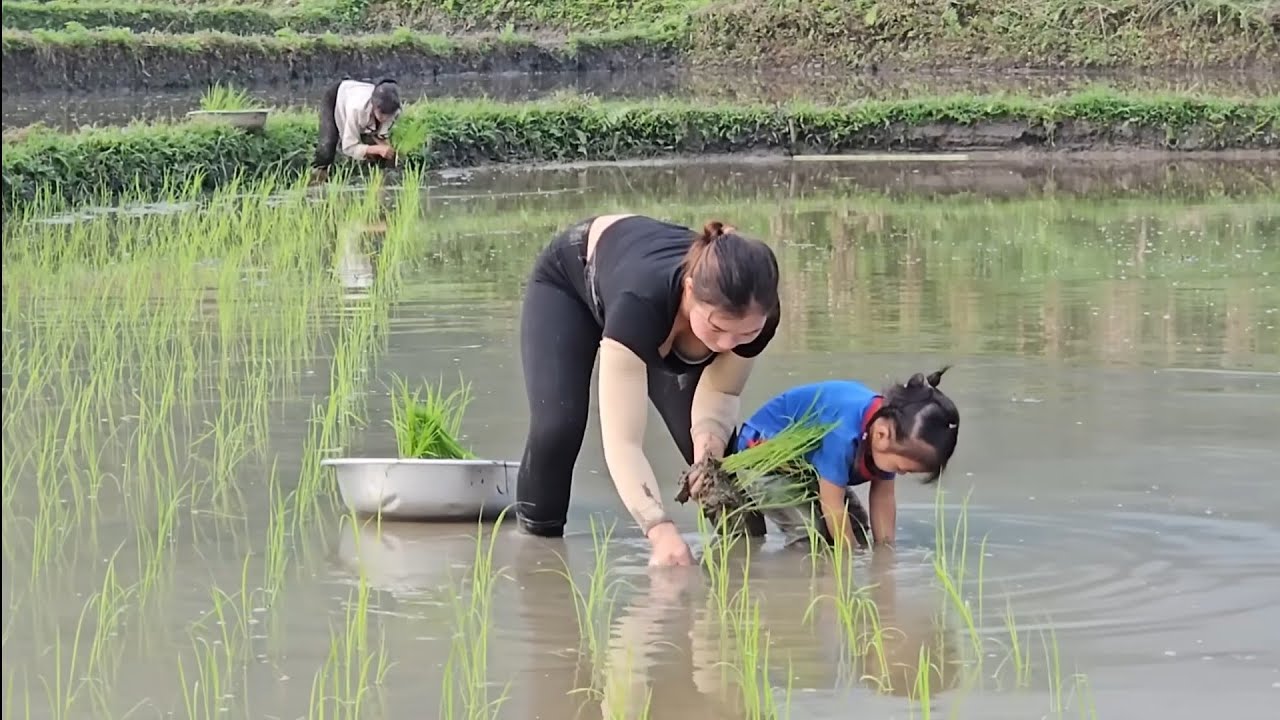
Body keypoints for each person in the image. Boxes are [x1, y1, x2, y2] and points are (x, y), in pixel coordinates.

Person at [515, 214, 782, 567]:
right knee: (557, 429)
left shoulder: (756, 318)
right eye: (718, 328)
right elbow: (622, 442)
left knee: (718, 469)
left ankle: (747, 558)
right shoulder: (640, 305)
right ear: (690, 291)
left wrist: (706, 452)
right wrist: (659, 529)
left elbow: (721, 395)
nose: (728, 344)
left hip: (648, 296)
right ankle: (535, 554)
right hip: (572, 280)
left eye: (744, 335)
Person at [722, 368, 960, 550]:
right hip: (762, 459)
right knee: (811, 537)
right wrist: (848, 564)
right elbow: (832, 504)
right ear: (881, 435)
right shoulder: (844, 433)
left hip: (806, 465)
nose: (900, 473)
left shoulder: (891, 430)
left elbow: (883, 497)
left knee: (857, 529)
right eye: (901, 469)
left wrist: (885, 558)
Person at [309, 77, 401, 185]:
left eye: (389, 115)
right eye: (382, 114)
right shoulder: (357, 109)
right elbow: (348, 147)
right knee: (327, 147)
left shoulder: (394, 110)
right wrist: (376, 149)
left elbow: (381, 135)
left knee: (383, 155)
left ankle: (381, 184)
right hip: (336, 96)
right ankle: (316, 181)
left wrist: (384, 148)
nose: (386, 118)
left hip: (355, 94)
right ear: (374, 106)